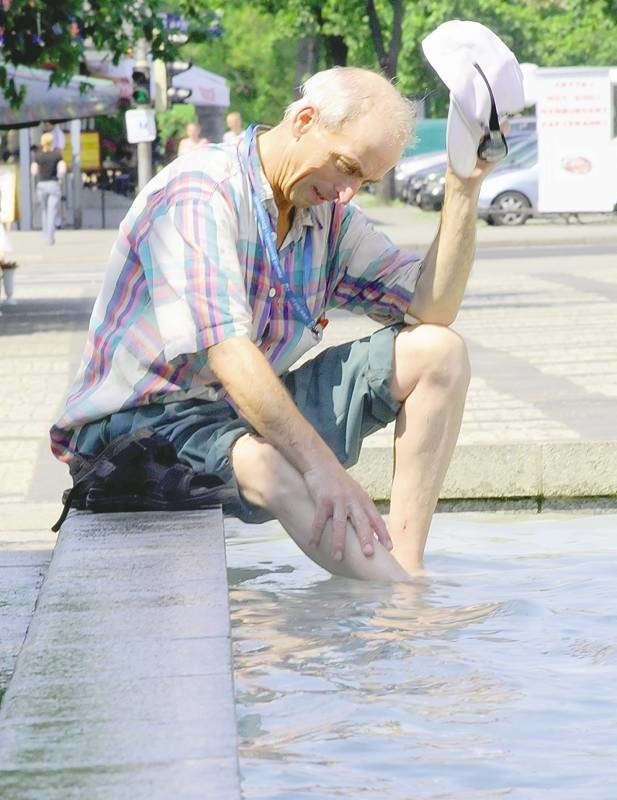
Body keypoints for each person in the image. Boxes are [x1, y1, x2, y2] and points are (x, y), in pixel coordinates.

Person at [50, 66, 496, 582]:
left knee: (440, 350)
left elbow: (431, 308)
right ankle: (398, 608)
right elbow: (229, 353)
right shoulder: (200, 191)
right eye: (346, 167)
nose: (347, 193)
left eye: (364, 181)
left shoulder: (329, 216)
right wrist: (322, 469)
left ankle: (407, 570)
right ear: (305, 120)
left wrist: (462, 187)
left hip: (235, 412)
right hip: (137, 429)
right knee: (275, 465)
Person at [30, 132, 67, 245]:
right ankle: (50, 238)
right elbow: (62, 169)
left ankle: (45, 235)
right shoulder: (57, 155)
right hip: (53, 184)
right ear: (52, 142)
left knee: (44, 211)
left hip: (41, 185)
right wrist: (60, 178)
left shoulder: (38, 155)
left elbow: (34, 171)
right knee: (52, 211)